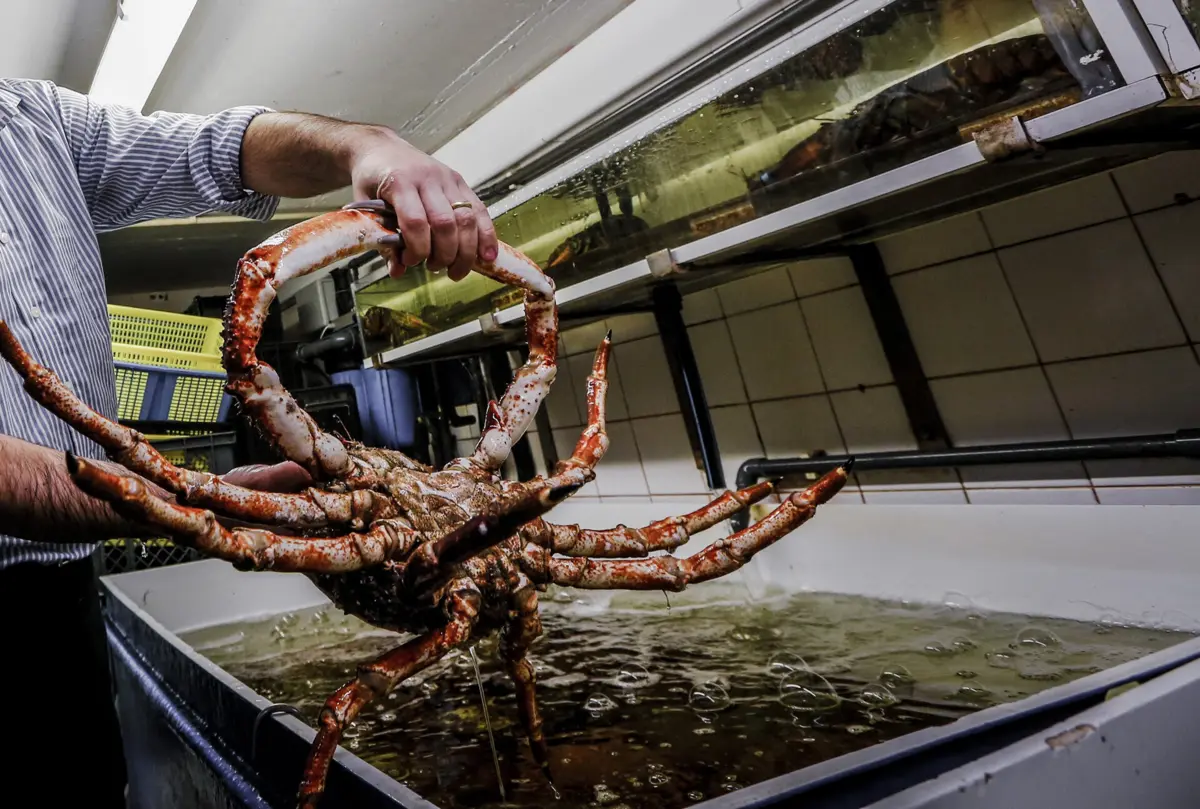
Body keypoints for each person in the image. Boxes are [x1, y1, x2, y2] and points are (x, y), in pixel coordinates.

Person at [0, 77, 496, 805]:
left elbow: (216, 150)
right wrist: (191, 501)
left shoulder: (30, 116)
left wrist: (366, 144)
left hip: (66, 585)